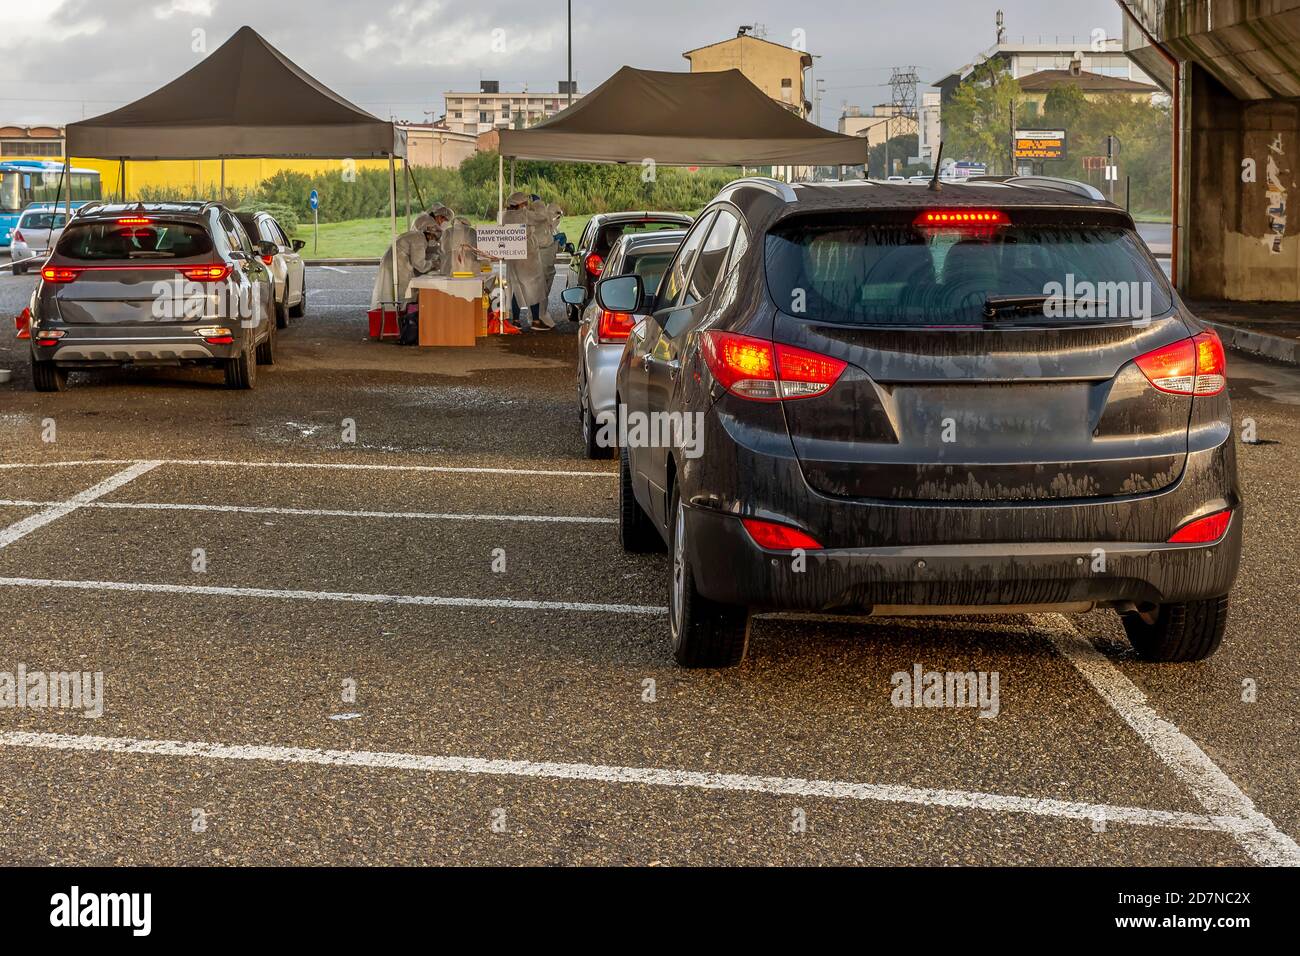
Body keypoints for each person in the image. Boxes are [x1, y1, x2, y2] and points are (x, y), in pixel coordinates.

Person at [369, 213, 439, 312]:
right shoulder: (420, 239)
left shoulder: (414, 234)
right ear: (429, 234)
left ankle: (396, 315)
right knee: (405, 292)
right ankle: (403, 318)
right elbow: (419, 265)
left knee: (391, 292)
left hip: (392, 261)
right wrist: (434, 263)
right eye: (433, 237)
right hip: (398, 263)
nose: (433, 240)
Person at [502, 191, 546, 331]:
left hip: (513, 253)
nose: (527, 205)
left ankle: (515, 320)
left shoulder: (506, 216)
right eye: (525, 203)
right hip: (528, 254)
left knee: (517, 286)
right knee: (534, 286)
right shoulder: (525, 215)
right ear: (520, 204)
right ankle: (536, 321)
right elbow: (542, 217)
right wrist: (538, 203)